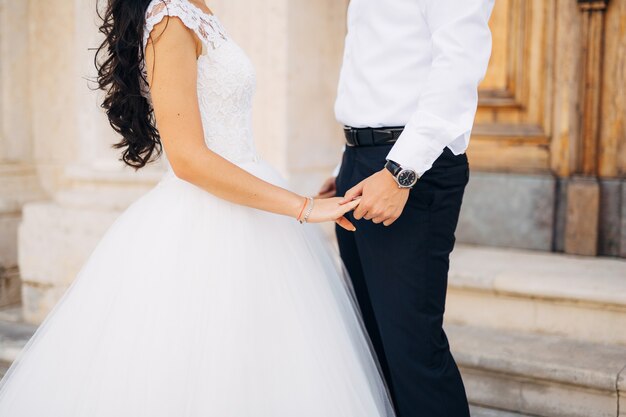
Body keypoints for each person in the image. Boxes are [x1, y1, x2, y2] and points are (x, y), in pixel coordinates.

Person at [0, 1, 396, 415]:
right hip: (205, 219)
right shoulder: (170, 18)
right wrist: (302, 206)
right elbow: (187, 158)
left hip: (253, 206)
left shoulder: (198, 7)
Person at [318, 1, 495, 416]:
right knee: (373, 343)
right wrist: (344, 166)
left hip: (409, 167)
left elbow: (458, 63)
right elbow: (380, 62)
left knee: (412, 351)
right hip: (362, 163)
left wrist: (401, 172)